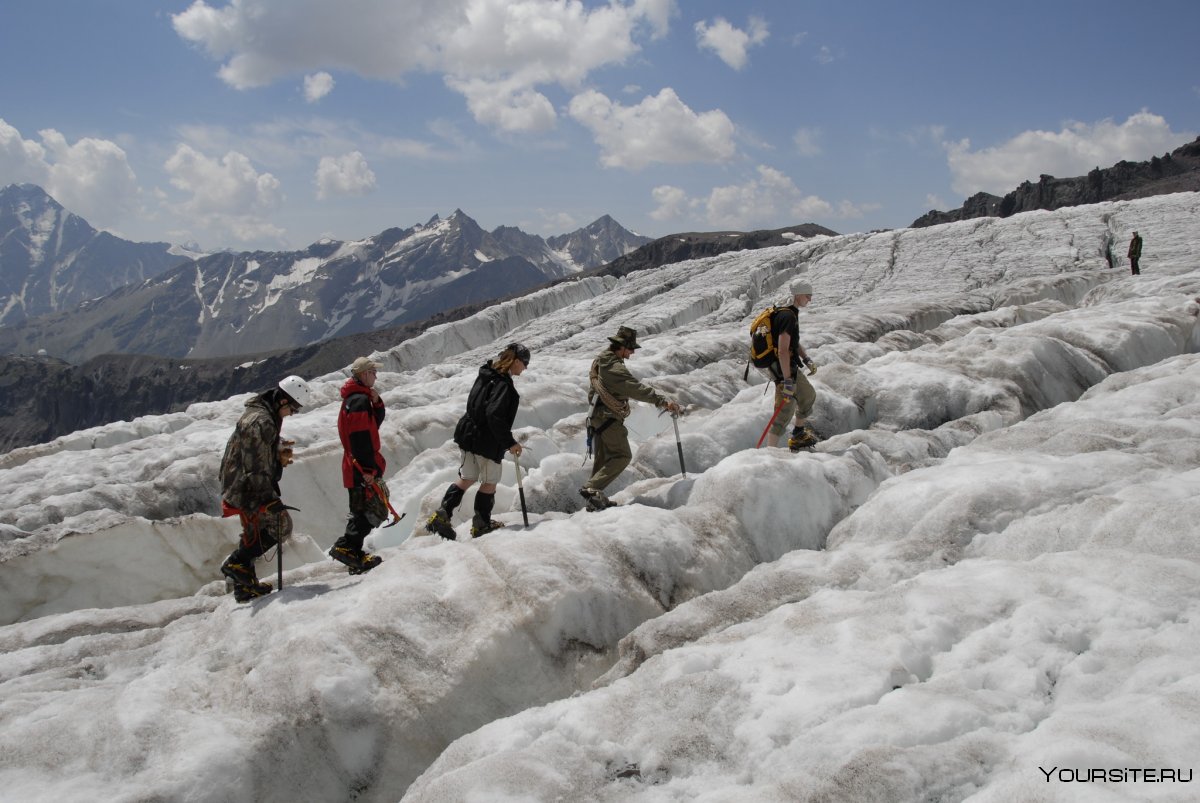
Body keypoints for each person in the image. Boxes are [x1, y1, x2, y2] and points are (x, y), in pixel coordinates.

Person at [218, 375, 311, 602]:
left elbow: (256, 451)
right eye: (293, 408)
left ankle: (244, 586)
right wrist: (268, 498)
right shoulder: (261, 421)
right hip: (246, 487)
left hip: (240, 483)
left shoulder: (263, 414)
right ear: (282, 400)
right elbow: (255, 466)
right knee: (281, 526)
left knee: (253, 531)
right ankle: (236, 563)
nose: (292, 413)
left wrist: (276, 451)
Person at [426, 343, 530, 539]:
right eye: (525, 363)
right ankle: (481, 525)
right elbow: (494, 415)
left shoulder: (486, 374)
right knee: (490, 481)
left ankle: (441, 516)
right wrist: (509, 442)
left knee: (468, 477)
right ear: (516, 361)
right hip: (486, 441)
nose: (525, 368)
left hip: (468, 434)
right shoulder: (503, 385)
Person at [579, 326, 681, 511]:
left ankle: (594, 500)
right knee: (622, 455)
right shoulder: (614, 368)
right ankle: (591, 489)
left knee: (603, 459)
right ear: (622, 346)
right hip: (607, 418)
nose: (632, 352)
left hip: (598, 417)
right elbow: (634, 388)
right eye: (631, 348)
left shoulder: (603, 359)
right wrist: (662, 401)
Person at [329, 356, 387, 574]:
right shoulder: (358, 401)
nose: (376, 376)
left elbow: (372, 425)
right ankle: (346, 548)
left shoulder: (358, 398)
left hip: (355, 465)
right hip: (360, 466)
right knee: (368, 510)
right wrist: (368, 470)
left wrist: (377, 402)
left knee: (362, 509)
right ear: (364, 374)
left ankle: (353, 554)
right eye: (373, 372)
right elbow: (361, 437)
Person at [763, 280, 819, 451]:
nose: (810, 299)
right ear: (798, 295)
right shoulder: (787, 316)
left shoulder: (790, 313)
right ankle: (769, 454)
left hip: (789, 366)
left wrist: (806, 359)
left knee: (807, 395)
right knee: (784, 410)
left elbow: (792, 342)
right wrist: (787, 380)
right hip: (782, 368)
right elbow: (782, 350)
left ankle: (798, 435)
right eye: (807, 295)